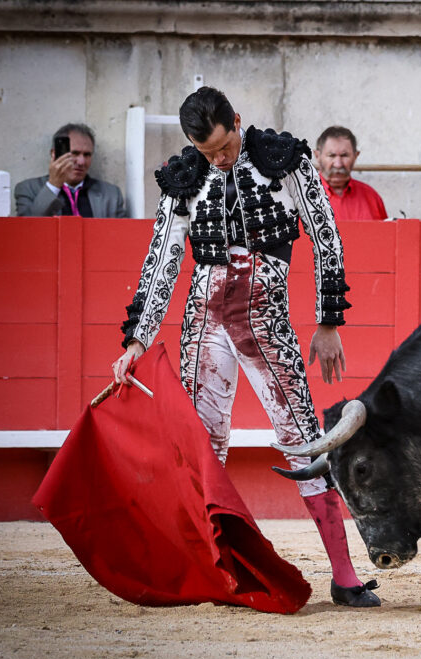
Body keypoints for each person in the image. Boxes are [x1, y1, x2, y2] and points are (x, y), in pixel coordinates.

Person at [111, 87, 379, 607]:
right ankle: (211, 570)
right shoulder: (184, 175)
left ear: (236, 121)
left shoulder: (284, 160)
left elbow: (327, 236)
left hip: (266, 323)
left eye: (224, 146)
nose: (219, 159)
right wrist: (136, 341)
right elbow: (162, 258)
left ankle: (344, 577)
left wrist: (328, 322)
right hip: (203, 324)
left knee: (305, 442)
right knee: (201, 449)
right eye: (207, 151)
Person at [15, 123, 127, 218]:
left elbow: (122, 235)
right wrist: (53, 186)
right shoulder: (28, 189)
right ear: (54, 154)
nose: (81, 162)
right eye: (75, 153)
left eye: (87, 154)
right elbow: (29, 229)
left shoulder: (111, 194)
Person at [315, 126, 388, 220]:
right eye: (331, 155)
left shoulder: (371, 197)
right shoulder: (301, 197)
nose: (338, 164)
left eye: (344, 155)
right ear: (317, 156)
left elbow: (385, 233)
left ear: (356, 156)